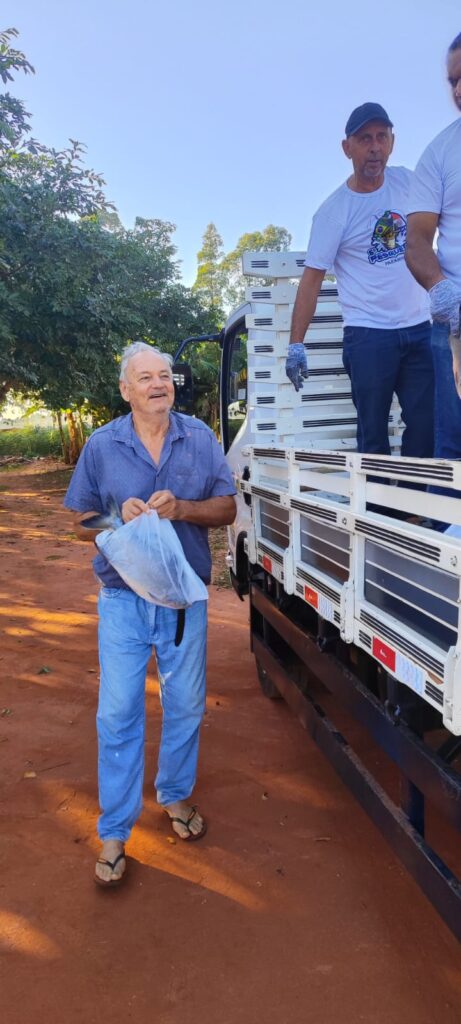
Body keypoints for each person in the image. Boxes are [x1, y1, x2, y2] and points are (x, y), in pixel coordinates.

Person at [64, 342, 236, 886]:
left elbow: (228, 506)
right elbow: (81, 520)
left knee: (185, 706)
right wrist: (116, 520)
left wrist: (183, 508)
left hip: (183, 602)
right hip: (123, 601)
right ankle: (115, 830)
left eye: (165, 376)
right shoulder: (102, 445)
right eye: (146, 378)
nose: (159, 384)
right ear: (126, 390)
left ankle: (175, 795)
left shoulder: (201, 439)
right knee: (117, 713)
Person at [286, 102, 434, 459]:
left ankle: (414, 510)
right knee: (373, 433)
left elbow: (436, 231)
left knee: (427, 425)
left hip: (419, 328)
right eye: (365, 138)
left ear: (392, 142)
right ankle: (379, 511)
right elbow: (311, 281)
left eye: (382, 137)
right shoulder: (334, 212)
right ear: (347, 148)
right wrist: (296, 345)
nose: (375, 147)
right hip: (368, 335)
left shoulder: (407, 182)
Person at [405, 33, 461, 463]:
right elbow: (417, 240)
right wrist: (442, 288)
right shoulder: (441, 153)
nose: (457, 90)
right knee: (453, 444)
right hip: (456, 322)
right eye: (452, 81)